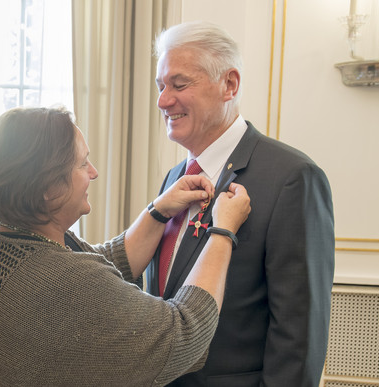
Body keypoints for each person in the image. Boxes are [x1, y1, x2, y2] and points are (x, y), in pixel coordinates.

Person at [0, 106, 251, 387]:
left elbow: (100, 264)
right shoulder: (64, 283)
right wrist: (222, 233)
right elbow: (184, 331)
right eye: (82, 164)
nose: (93, 172)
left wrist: (158, 211)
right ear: (47, 186)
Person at [146, 21, 335, 386]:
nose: (163, 101)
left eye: (179, 84)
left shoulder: (292, 178)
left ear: (229, 84)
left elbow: (300, 332)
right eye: (160, 86)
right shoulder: (173, 179)